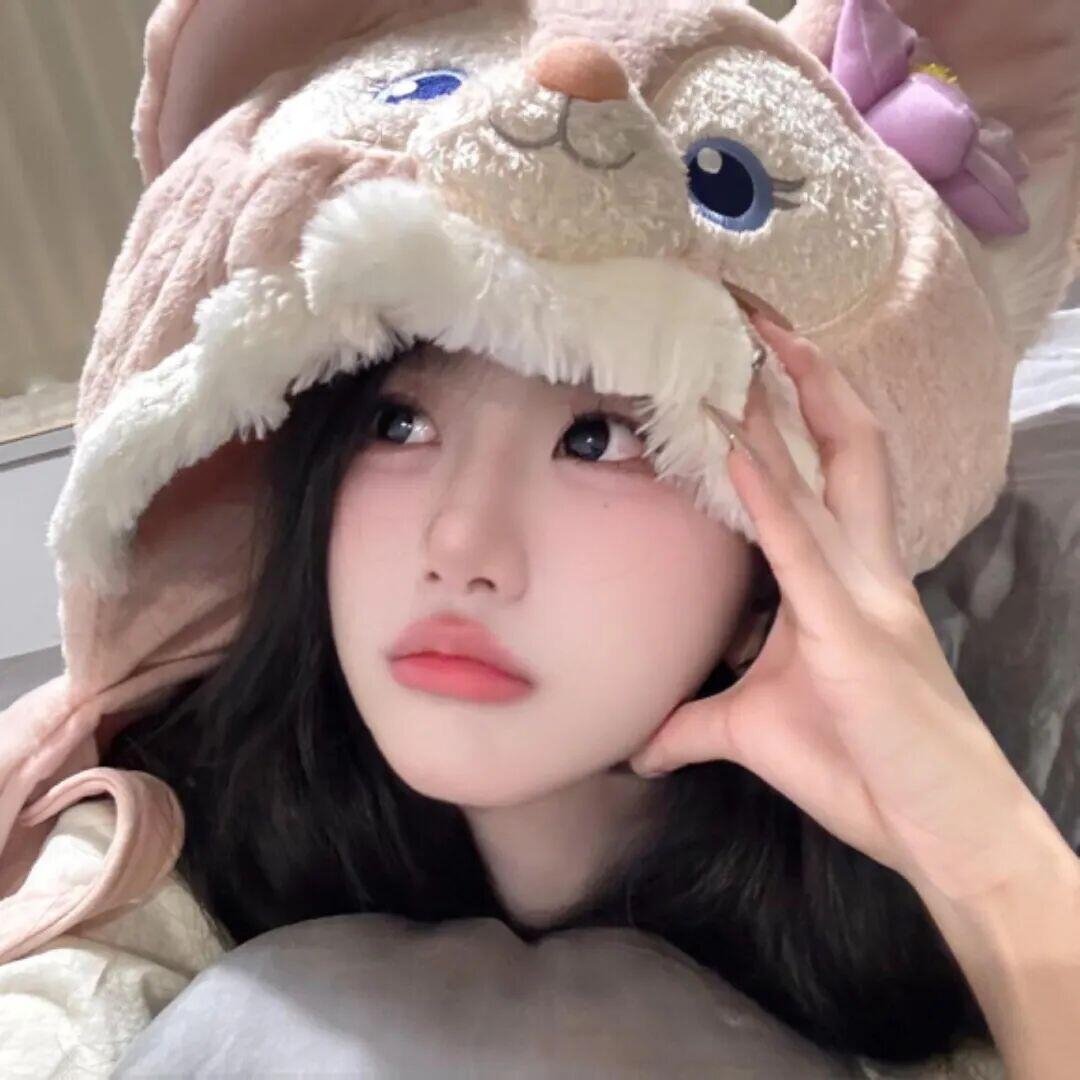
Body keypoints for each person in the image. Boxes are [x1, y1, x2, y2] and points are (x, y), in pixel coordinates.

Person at [1, 0, 1078, 1077]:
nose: (461, 542)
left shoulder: (926, 961)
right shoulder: (158, 839)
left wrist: (983, 854)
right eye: (400, 423)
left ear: (770, 572)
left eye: (598, 437)